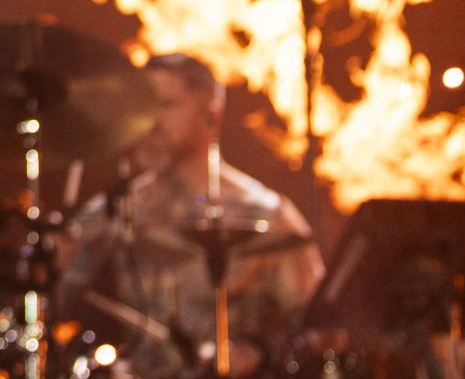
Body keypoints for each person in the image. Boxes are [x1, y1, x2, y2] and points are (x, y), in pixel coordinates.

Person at [58, 54, 323, 378]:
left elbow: (324, 328)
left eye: (167, 105)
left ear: (210, 113)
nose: (152, 120)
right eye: (146, 106)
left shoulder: (266, 214)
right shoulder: (116, 209)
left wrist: (260, 353)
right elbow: (55, 298)